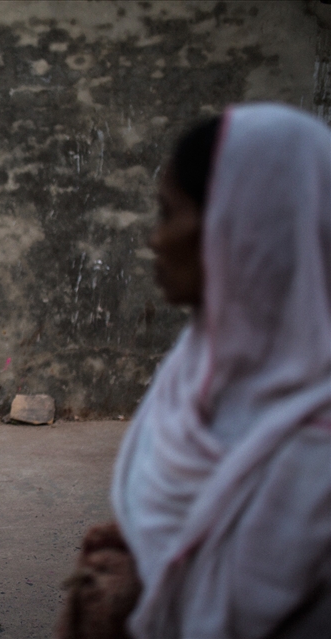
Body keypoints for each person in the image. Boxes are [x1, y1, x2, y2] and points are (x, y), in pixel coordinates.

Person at [59, 104, 331, 638]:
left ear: (246, 227)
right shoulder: (194, 370)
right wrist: (145, 561)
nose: (155, 239)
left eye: (168, 213)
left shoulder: (316, 455)